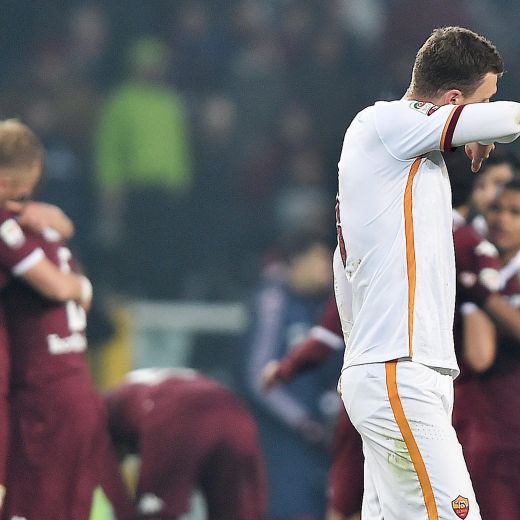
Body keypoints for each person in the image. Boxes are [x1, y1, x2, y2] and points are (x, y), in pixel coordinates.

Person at [334, 26, 520, 519]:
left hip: (396, 371)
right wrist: (485, 125)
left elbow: (342, 273)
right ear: (455, 101)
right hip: (399, 371)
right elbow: (512, 118)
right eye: (483, 100)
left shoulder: (405, 167)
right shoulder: (385, 123)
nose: (488, 109)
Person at [0, 120, 134, 520]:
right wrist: (84, 287)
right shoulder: (43, 232)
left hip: (39, 400)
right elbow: (60, 276)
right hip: (72, 394)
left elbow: (55, 283)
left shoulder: (12, 228)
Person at [239, 233, 337, 520]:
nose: (326, 269)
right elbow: (258, 376)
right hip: (277, 438)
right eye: (320, 260)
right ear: (297, 261)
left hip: (318, 437)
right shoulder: (273, 302)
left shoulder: (323, 304)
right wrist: (301, 420)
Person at [104, 367, 267, 520]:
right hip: (234, 412)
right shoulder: (144, 384)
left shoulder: (107, 408)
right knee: (236, 513)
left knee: (156, 513)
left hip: (177, 413)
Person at [262, 296, 363, 520]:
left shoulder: (357, 277)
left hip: (368, 400)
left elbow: (324, 340)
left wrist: (283, 370)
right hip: (426, 397)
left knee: (349, 498)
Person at [455, 179, 520, 518]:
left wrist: (480, 292)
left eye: (515, 212)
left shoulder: (475, 277)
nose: (502, 219)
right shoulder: (474, 262)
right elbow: (479, 357)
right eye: (497, 208)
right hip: (488, 433)